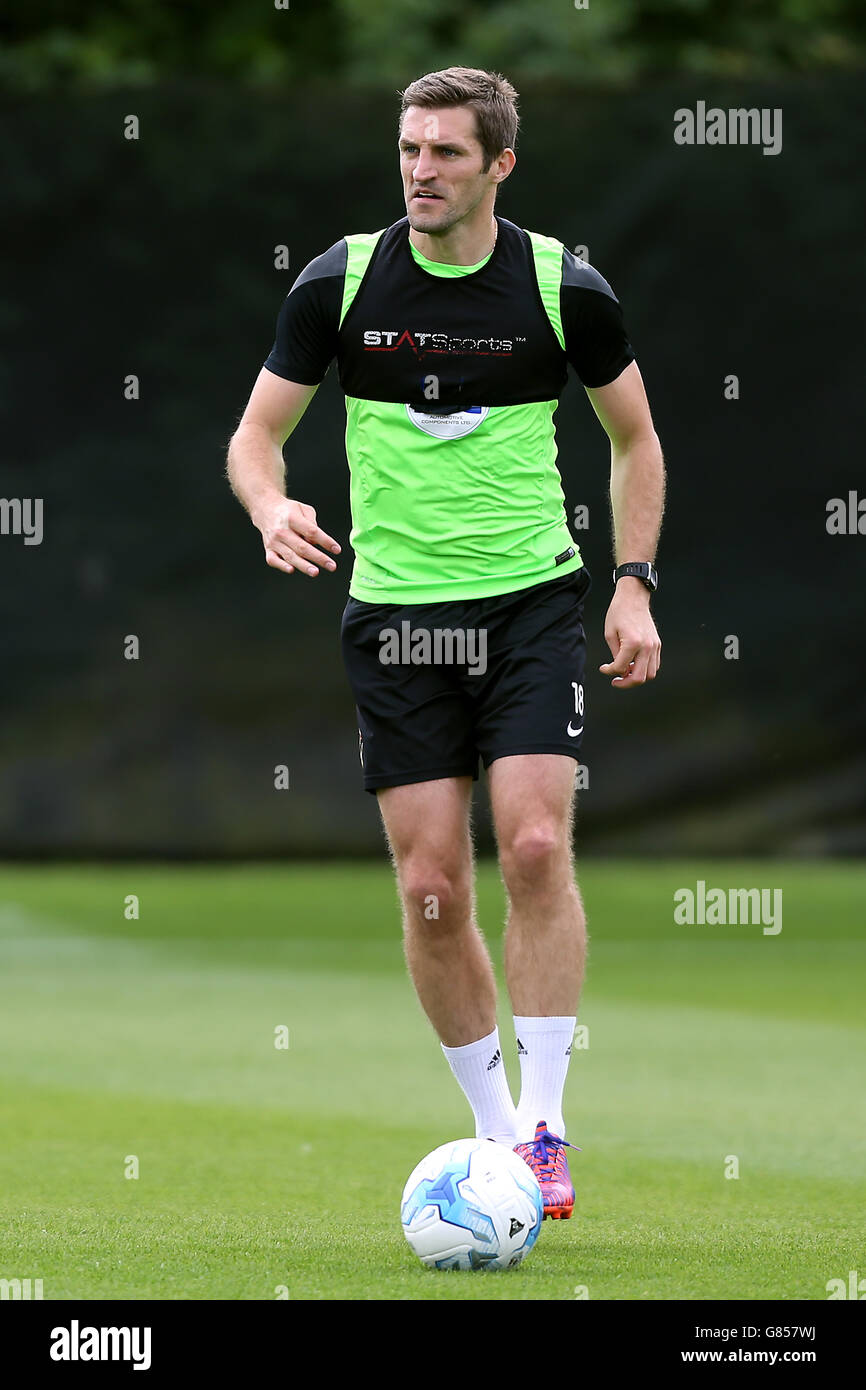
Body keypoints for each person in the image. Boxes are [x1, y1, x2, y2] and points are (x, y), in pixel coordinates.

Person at [226, 66, 664, 1220]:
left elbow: (635, 439)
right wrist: (271, 507)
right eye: (409, 149)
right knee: (429, 886)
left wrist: (631, 584)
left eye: (446, 153)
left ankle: (549, 1124)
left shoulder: (561, 285)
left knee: (527, 846)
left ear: (498, 165)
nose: (420, 170)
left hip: (528, 604)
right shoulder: (343, 280)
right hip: (398, 617)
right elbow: (254, 438)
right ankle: (493, 1142)